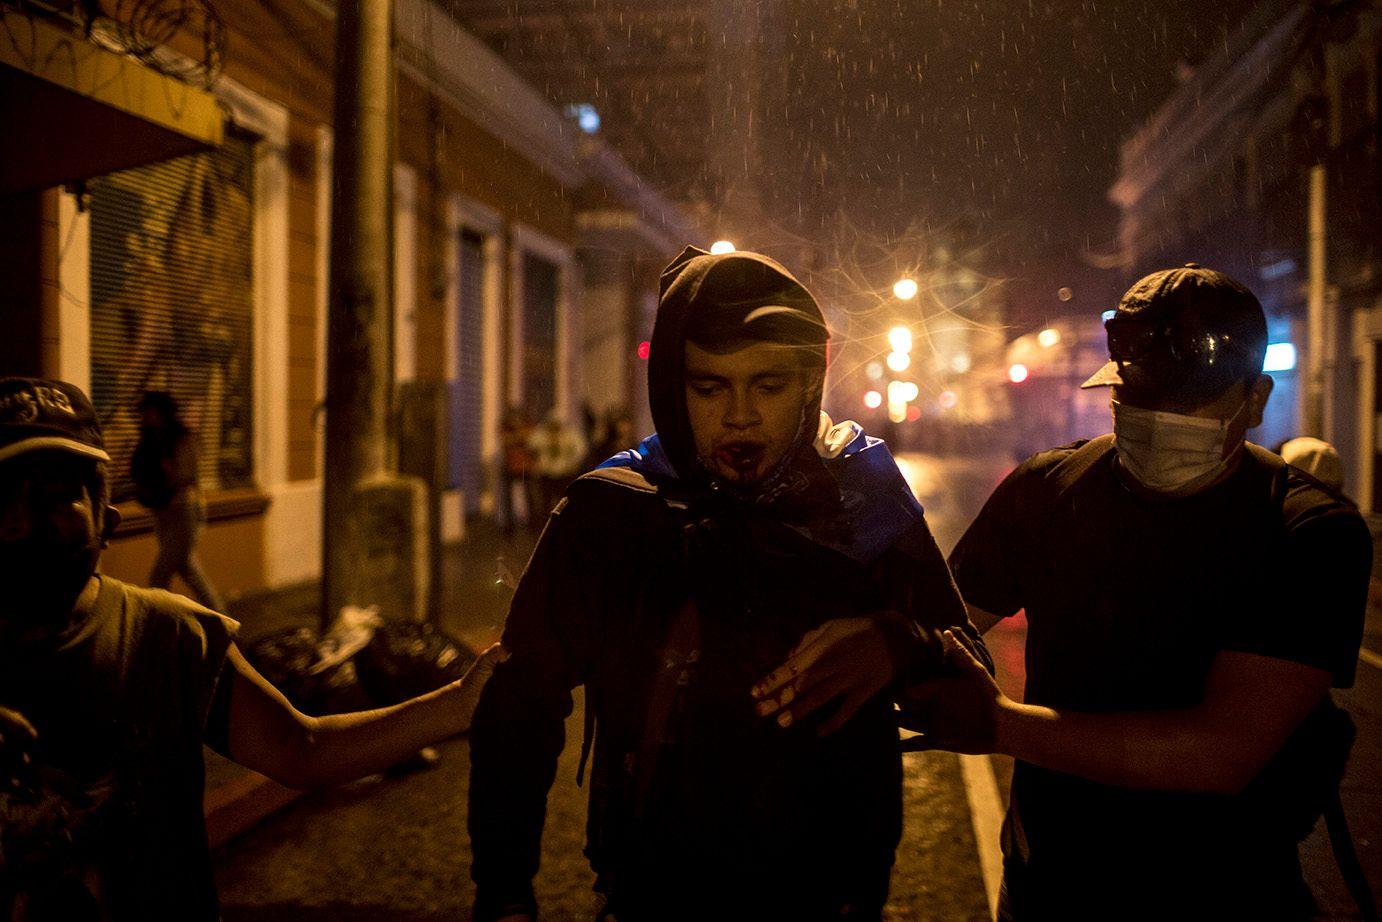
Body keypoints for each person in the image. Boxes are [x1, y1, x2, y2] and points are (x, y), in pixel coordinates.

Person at [468, 246, 991, 922]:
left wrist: (902, 646)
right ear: (671, 387)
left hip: (834, 900)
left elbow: (979, 703)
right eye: (710, 388)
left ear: (811, 380)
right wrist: (504, 892)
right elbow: (519, 704)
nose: (739, 416)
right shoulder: (616, 513)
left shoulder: (863, 501)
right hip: (651, 898)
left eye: (768, 386)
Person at [902, 264, 1372, 920]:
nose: (1162, 419)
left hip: (1229, 895)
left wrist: (1001, 724)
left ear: (1256, 400)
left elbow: (1221, 753)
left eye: (1193, 399)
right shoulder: (1048, 490)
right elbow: (925, 630)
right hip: (1048, 886)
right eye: (1145, 397)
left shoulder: (1308, 531)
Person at [0, 377, 505, 921]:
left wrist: (460, 701)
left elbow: (300, 750)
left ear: (107, 519)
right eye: (2, 496)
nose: (20, 521)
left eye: (57, 495)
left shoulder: (169, 636)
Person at [130, 390, 223, 611]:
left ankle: (160, 623)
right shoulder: (149, 439)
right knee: (188, 570)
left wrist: (167, 473)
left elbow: (186, 475)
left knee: (159, 576)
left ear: (162, 412)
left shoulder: (182, 438)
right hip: (162, 510)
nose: (146, 416)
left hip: (184, 510)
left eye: (150, 411)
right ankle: (221, 617)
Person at [526, 411, 587, 519]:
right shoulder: (541, 435)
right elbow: (531, 446)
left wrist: (572, 463)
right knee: (546, 500)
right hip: (546, 472)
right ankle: (545, 522)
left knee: (563, 500)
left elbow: (580, 451)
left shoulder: (570, 435)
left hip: (564, 472)